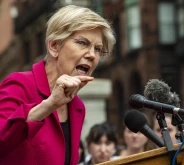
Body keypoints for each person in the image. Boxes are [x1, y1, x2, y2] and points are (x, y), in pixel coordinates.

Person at [0, 5, 115, 165]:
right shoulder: (20, 85)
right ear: (54, 46)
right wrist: (49, 105)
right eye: (82, 43)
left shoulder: (77, 106)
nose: (91, 55)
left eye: (98, 49)